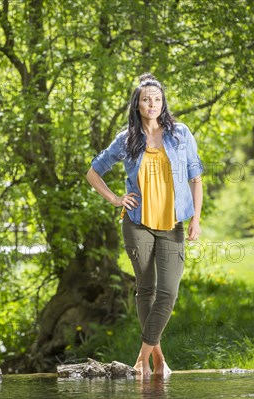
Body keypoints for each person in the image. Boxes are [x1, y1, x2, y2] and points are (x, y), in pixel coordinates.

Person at [86, 73, 203, 378]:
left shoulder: (180, 134)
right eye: (146, 99)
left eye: (157, 99)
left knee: (168, 292)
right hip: (137, 224)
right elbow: (93, 172)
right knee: (146, 289)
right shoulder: (126, 139)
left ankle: (142, 356)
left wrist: (196, 218)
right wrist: (114, 199)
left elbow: (196, 178)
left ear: (163, 103)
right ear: (137, 104)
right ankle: (159, 360)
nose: (152, 104)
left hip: (172, 224)